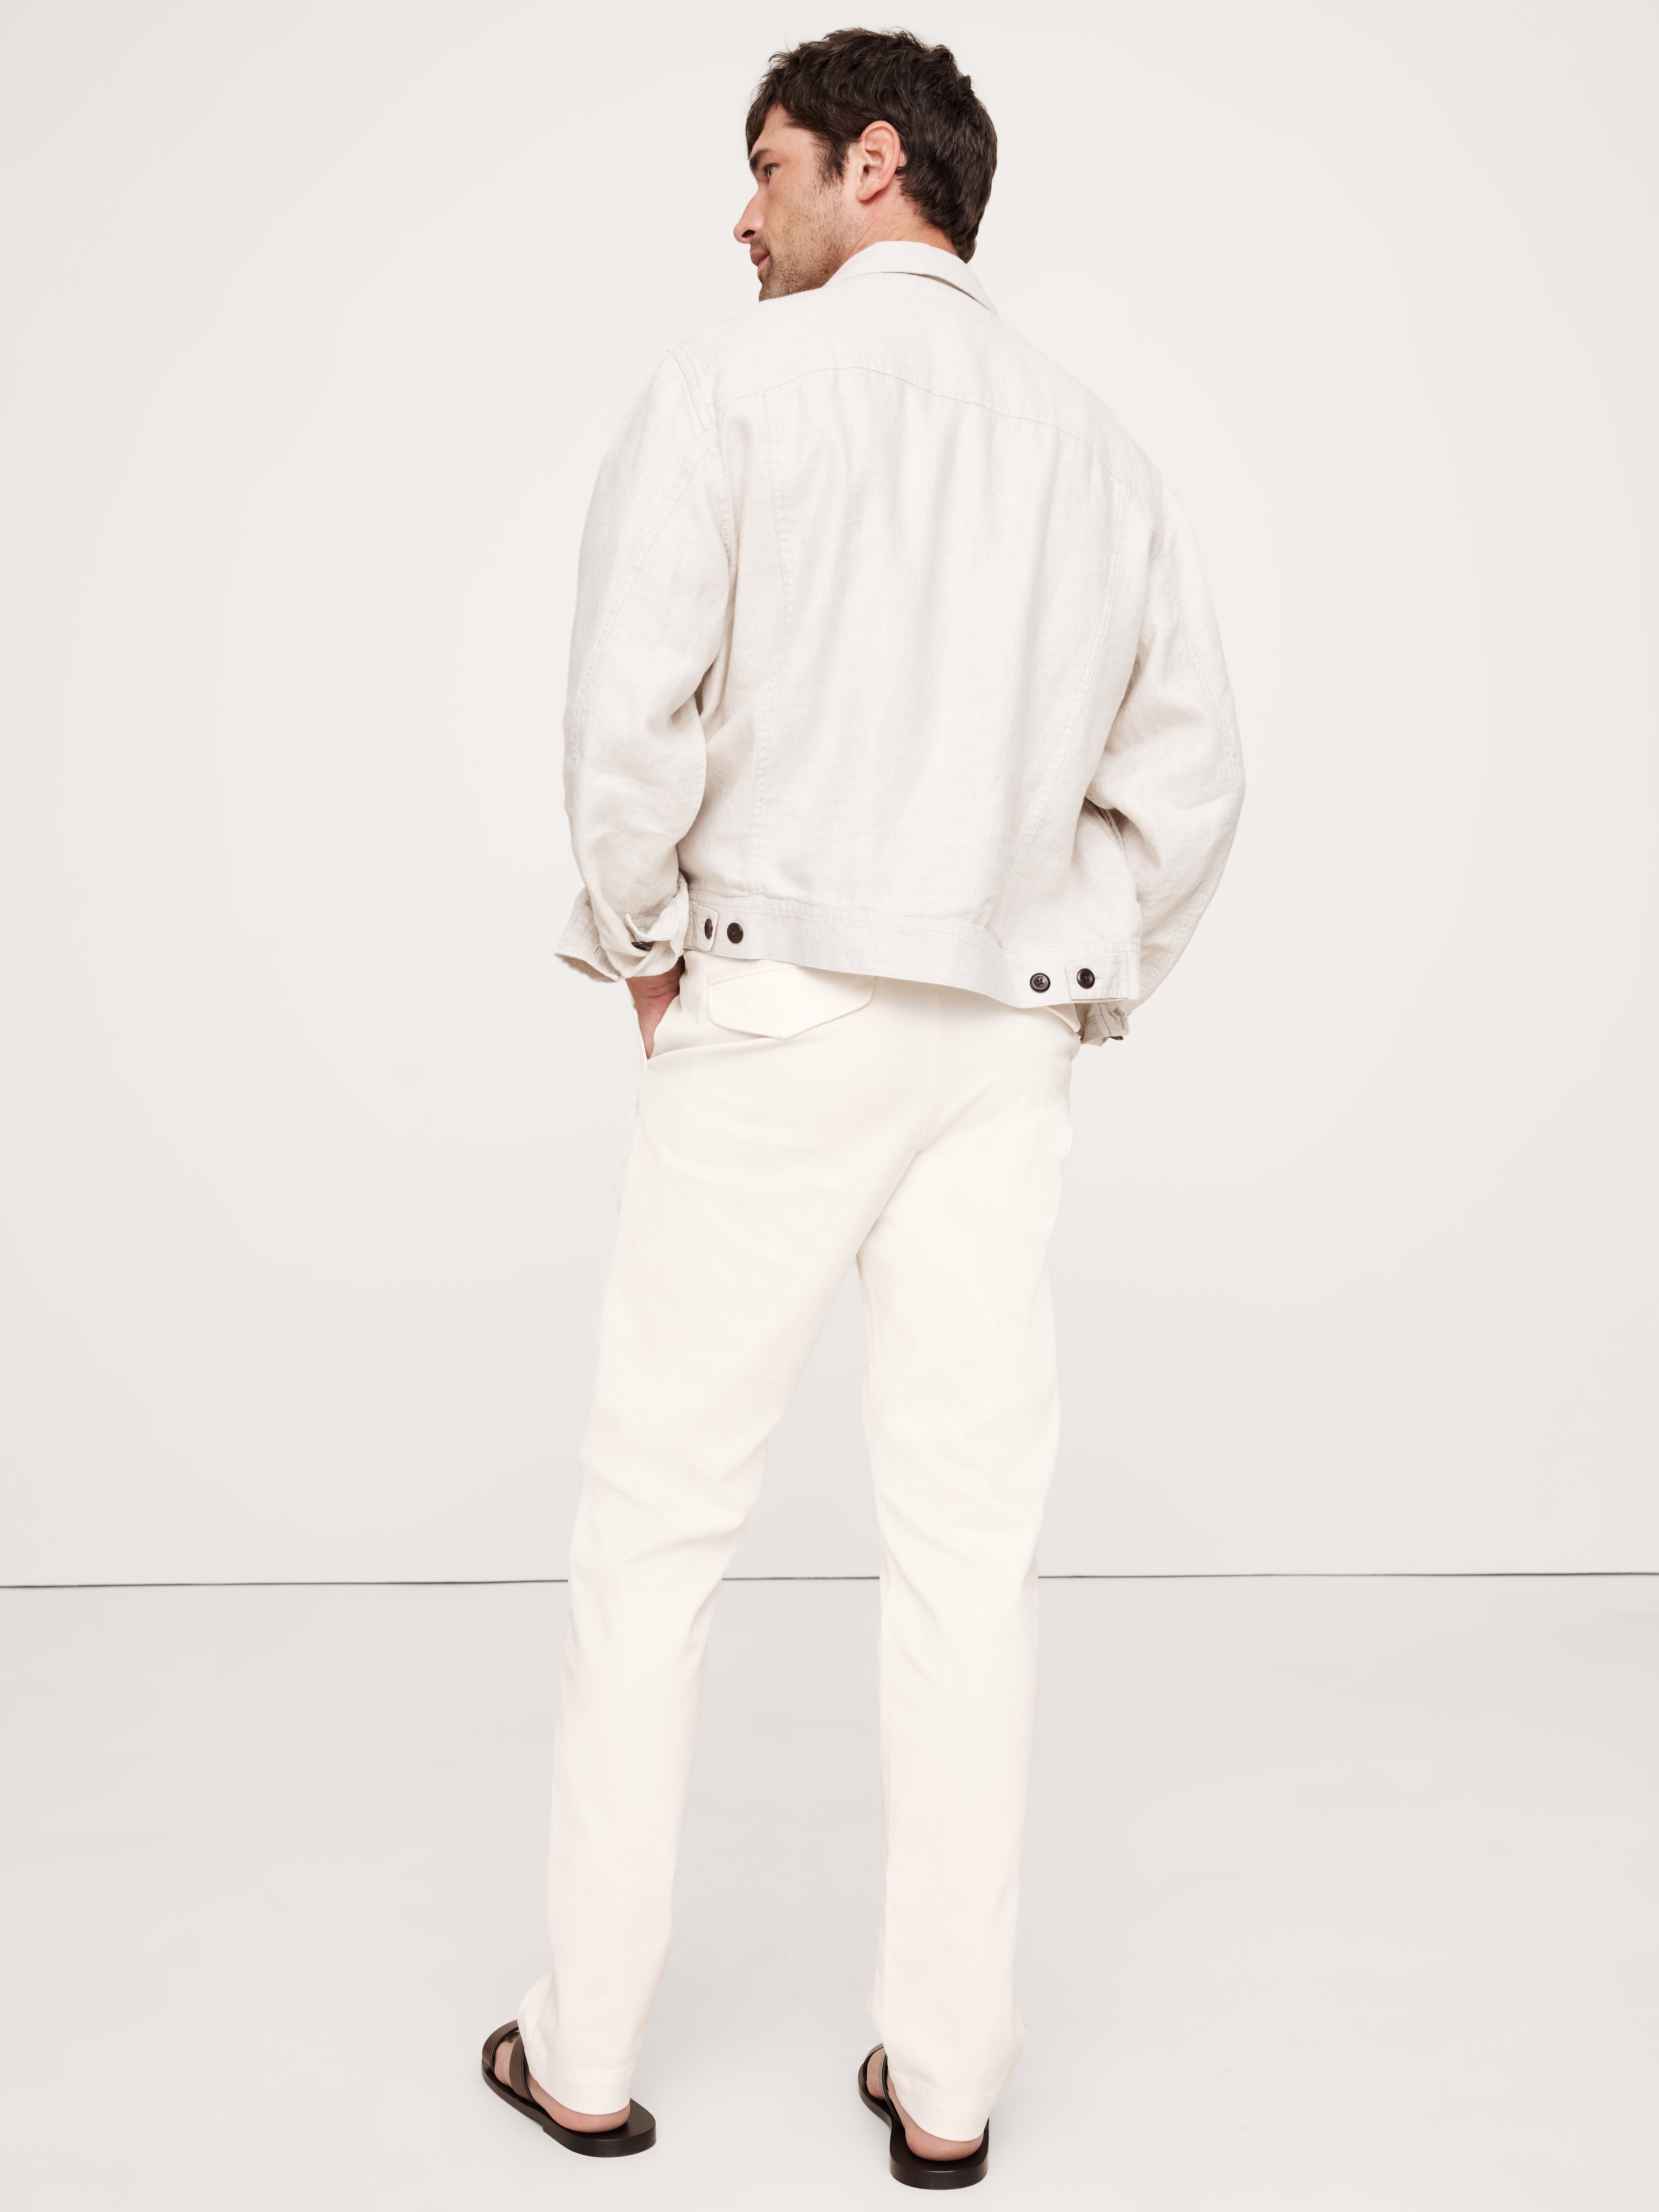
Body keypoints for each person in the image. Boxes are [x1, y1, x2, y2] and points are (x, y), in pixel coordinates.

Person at [481, 26, 1244, 2188]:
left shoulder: (733, 387)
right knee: (967, 1558)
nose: (740, 214)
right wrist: (1072, 966)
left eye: (766, 166)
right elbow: (1189, 785)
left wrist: (643, 938)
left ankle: (586, 2055)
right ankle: (947, 2085)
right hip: (997, 1037)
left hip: (776, 999)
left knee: (655, 1529)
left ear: (873, 163)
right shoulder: (1095, 449)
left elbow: (628, 714)